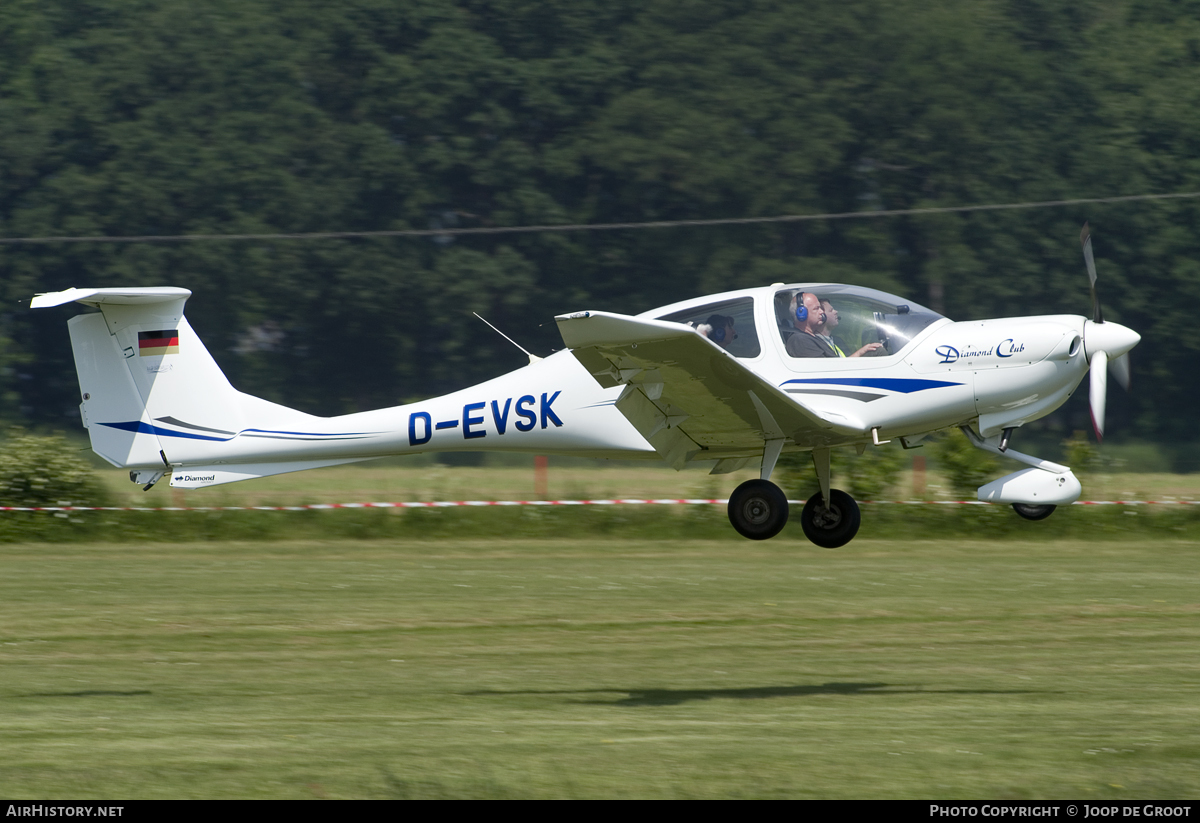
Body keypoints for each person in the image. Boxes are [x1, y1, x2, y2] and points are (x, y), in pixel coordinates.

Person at [817, 298, 883, 358]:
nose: (836, 311)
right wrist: (860, 352)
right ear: (821, 316)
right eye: (831, 310)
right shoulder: (815, 344)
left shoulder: (837, 341)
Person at [785, 292, 837, 357]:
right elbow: (826, 366)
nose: (821, 312)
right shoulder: (801, 341)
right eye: (816, 308)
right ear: (801, 313)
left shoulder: (813, 338)